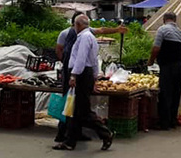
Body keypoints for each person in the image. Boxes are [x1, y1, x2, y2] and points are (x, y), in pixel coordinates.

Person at [53, 13, 127, 143]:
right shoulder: (88, 35)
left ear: (78, 24)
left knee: (78, 109)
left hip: (79, 74)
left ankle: (104, 133)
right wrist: (94, 77)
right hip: (83, 74)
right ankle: (69, 138)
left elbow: (81, 59)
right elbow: (93, 60)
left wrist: (73, 75)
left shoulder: (84, 37)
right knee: (75, 108)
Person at [147, 12, 181, 131]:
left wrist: (150, 61)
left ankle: (164, 123)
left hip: (167, 67)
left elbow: (156, 48)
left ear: (164, 19)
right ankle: (172, 121)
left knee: (165, 94)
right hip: (179, 66)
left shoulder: (162, 30)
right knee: (175, 94)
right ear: (175, 20)